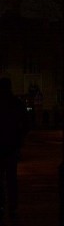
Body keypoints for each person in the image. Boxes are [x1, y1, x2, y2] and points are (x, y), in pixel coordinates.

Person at [0, 77, 27, 216]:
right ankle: (13, 204)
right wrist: (20, 138)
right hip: (12, 145)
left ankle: (2, 204)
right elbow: (26, 123)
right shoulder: (17, 103)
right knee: (12, 177)